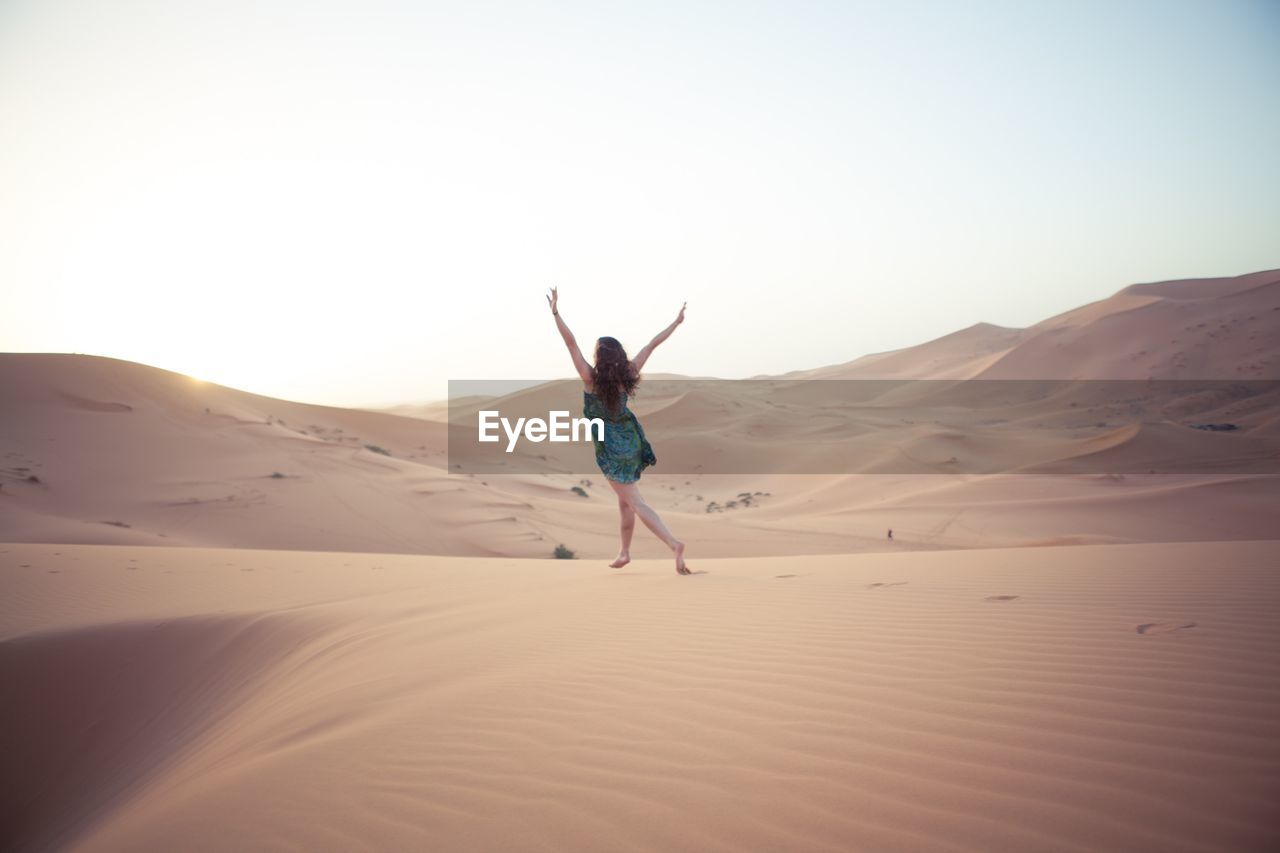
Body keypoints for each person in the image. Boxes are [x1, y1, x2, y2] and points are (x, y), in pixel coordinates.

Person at [547, 287, 690, 575]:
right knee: (625, 501)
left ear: (598, 356)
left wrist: (555, 312)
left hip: (612, 448)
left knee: (635, 502)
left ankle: (673, 543)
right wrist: (676, 323)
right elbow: (651, 345)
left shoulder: (590, 379)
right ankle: (624, 552)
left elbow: (570, 343)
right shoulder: (629, 374)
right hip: (631, 439)